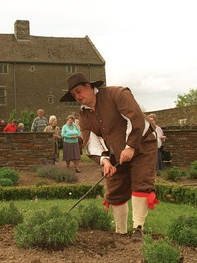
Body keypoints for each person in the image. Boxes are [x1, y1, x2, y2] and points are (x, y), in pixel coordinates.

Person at [60, 72, 158, 240]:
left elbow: (135, 119)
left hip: (142, 144)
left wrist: (130, 146)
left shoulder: (117, 94)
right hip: (116, 154)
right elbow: (91, 141)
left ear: (89, 86)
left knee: (141, 182)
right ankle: (120, 232)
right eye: (74, 94)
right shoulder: (84, 117)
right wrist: (105, 161)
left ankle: (138, 229)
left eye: (79, 91)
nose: (78, 96)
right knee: (115, 188)